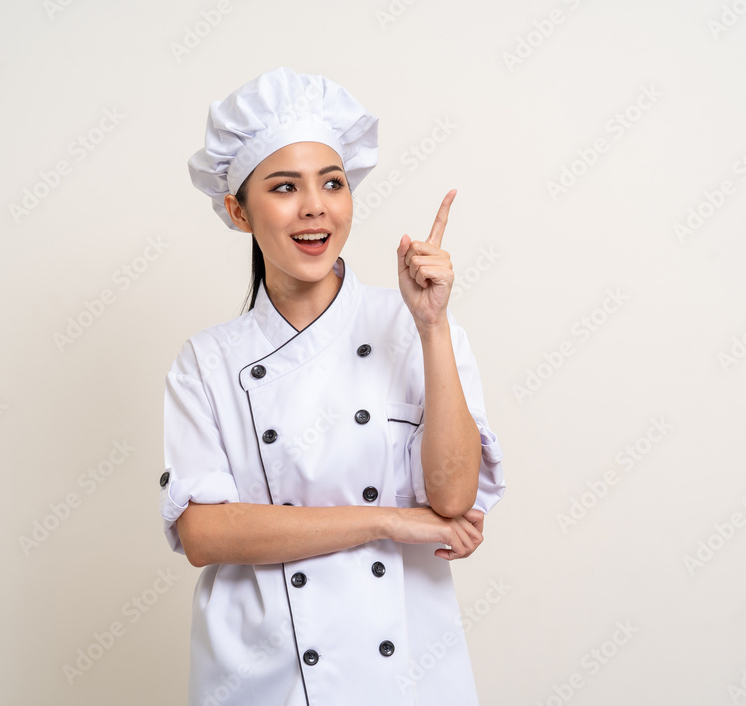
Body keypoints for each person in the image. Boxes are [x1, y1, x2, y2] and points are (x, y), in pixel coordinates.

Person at [160, 67, 506, 705]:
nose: (314, 205)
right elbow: (206, 536)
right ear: (239, 210)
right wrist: (390, 522)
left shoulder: (417, 329)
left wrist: (431, 326)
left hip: (402, 669)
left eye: (332, 183)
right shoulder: (207, 361)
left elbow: (454, 499)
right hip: (262, 675)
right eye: (284, 186)